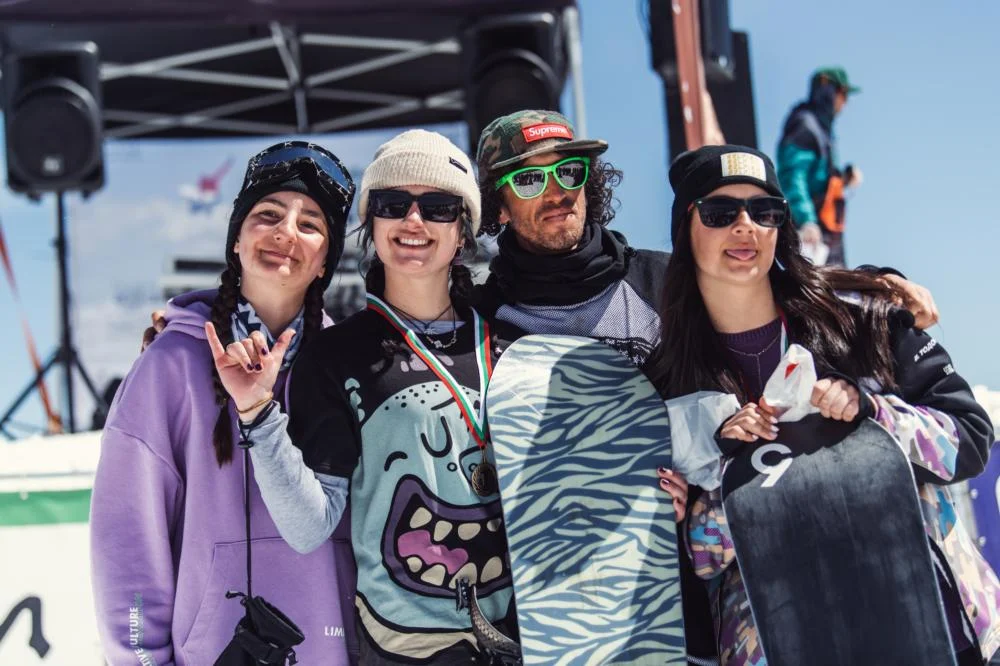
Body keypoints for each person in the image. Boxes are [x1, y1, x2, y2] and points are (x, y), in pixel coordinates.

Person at [474, 108, 941, 664]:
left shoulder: (664, 283)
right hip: (562, 602)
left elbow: (771, 279)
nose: (556, 192)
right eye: (529, 179)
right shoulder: (481, 320)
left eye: (569, 172)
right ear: (498, 206)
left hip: (686, 596)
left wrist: (881, 289)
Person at [646, 143, 998, 666]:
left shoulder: (863, 319)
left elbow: (969, 441)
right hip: (788, 640)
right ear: (685, 228)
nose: (746, 227)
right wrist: (732, 472)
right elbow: (697, 557)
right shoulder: (668, 381)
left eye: (765, 212)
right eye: (720, 213)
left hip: (936, 628)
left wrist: (874, 416)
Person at [209, 129, 520, 664]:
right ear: (371, 225)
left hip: (530, 639)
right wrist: (258, 413)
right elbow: (309, 528)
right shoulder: (335, 355)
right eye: (393, 204)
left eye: (439, 207)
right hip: (403, 650)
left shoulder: (514, 346)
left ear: (463, 231)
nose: (414, 221)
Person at [90, 141, 357, 665]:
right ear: (236, 239)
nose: (285, 233)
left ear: (326, 259)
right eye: (268, 215)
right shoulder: (170, 364)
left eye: (310, 224)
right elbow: (126, 544)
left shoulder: (350, 366)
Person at [776, 66, 862, 267]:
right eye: (843, 94)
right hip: (811, 236)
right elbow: (792, 176)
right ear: (828, 91)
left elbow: (819, 178)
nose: (845, 102)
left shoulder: (821, 129)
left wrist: (844, 179)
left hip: (827, 236)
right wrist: (806, 220)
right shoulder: (805, 125)